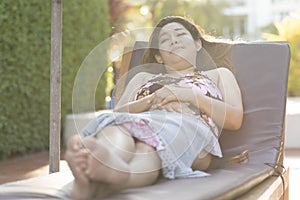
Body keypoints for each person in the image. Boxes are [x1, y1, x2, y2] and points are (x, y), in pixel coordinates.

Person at [65, 16, 243, 200]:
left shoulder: (218, 74)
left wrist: (190, 96)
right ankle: (97, 171)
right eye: (165, 40)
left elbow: (235, 119)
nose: (173, 40)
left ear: (197, 44)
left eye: (180, 34)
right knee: (117, 127)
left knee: (149, 147)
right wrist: (154, 99)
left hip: (190, 129)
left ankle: (109, 172)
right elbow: (118, 113)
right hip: (142, 120)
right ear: (159, 56)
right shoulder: (142, 78)